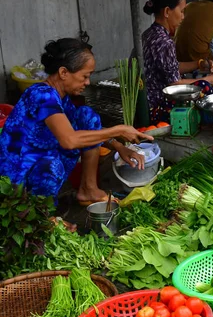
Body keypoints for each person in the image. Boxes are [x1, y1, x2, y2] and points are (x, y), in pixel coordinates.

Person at [0, 38, 153, 205]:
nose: (87, 82)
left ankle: (89, 189)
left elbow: (87, 130)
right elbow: (69, 140)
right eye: (84, 76)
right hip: (15, 181)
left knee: (87, 117)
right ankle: (41, 215)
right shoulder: (41, 95)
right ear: (63, 72)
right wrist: (118, 130)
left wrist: (118, 146)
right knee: (53, 166)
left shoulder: (61, 97)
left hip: (40, 161)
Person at [142, 0, 213, 123]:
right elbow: (175, 84)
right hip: (158, 107)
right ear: (167, 11)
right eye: (181, 11)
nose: (183, 17)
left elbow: (170, 68)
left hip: (149, 102)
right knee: (204, 87)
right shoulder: (164, 42)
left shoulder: (149, 34)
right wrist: (208, 80)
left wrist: (198, 64)